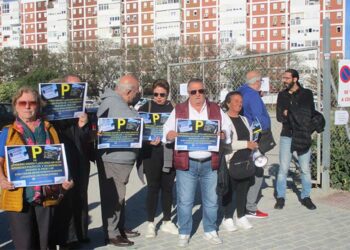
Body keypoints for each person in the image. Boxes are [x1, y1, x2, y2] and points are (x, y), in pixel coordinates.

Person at [0, 86, 74, 250]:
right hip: (18, 196)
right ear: (15, 106)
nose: (27, 106)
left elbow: (58, 159)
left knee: (44, 242)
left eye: (32, 102)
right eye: (22, 103)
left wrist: (65, 179)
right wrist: (2, 179)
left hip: (46, 195)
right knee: (24, 244)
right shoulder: (7, 132)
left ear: (38, 105)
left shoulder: (49, 129)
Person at [163, 78, 232, 247]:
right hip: (187, 162)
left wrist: (223, 133)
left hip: (210, 162)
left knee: (211, 200)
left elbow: (228, 127)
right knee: (185, 200)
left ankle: (210, 230)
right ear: (188, 93)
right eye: (193, 91)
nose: (197, 95)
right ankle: (184, 232)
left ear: (205, 92)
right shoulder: (178, 110)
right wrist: (170, 135)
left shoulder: (215, 108)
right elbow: (166, 131)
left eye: (201, 91)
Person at [97, 74, 141, 247]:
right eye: (137, 91)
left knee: (119, 196)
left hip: (119, 158)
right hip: (115, 159)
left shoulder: (118, 102)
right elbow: (135, 122)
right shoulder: (115, 103)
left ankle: (119, 227)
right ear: (129, 91)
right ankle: (112, 233)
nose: (138, 94)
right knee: (114, 198)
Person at [49, 74, 91, 248]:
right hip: (60, 159)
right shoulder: (50, 110)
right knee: (65, 199)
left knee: (80, 196)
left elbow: (86, 139)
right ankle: (68, 239)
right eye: (72, 87)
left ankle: (81, 234)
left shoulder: (82, 112)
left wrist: (83, 126)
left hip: (79, 158)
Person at [138, 79, 177, 238]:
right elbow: (136, 132)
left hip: (168, 151)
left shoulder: (174, 108)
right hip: (151, 153)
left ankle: (167, 221)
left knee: (167, 188)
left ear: (167, 94)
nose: (159, 97)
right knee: (153, 188)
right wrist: (147, 140)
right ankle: (150, 223)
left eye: (162, 94)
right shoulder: (144, 108)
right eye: (156, 94)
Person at [274, 69, 317, 210]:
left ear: (295, 79)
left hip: (303, 135)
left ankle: (306, 197)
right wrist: (293, 114)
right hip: (287, 135)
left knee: (305, 169)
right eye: (283, 77)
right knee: (283, 168)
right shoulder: (282, 95)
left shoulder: (307, 94)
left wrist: (290, 112)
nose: (284, 80)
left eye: (287, 78)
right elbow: (280, 117)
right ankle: (280, 197)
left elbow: (309, 114)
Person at [221, 91, 258, 231]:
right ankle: (228, 217)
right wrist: (246, 144)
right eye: (235, 101)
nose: (239, 103)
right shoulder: (224, 120)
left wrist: (252, 145)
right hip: (231, 160)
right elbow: (226, 143)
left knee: (243, 188)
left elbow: (249, 138)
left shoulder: (244, 119)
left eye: (241, 101)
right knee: (229, 190)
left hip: (245, 160)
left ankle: (241, 216)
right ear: (228, 103)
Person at [237, 71, 270, 219]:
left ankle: (240, 203)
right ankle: (250, 207)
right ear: (256, 82)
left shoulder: (241, 91)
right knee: (258, 170)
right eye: (260, 82)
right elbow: (258, 117)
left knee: (244, 167)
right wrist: (265, 127)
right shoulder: (253, 95)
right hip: (255, 136)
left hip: (243, 134)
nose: (261, 84)